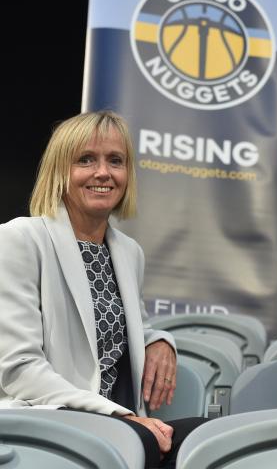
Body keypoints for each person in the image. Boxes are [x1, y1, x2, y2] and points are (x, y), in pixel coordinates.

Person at [0, 111, 206, 468]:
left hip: (116, 423)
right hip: (45, 414)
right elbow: (18, 368)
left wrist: (160, 341)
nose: (103, 173)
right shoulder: (18, 239)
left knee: (207, 437)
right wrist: (119, 416)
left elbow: (130, 326)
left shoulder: (129, 252)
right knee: (142, 439)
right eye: (85, 160)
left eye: (115, 161)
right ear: (60, 171)